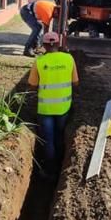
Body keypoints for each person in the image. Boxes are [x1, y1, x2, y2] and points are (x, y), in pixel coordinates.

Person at [28, 32, 79, 178]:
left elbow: (32, 85)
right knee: (59, 135)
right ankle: (60, 167)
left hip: (45, 109)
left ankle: (50, 170)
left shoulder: (39, 61)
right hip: (64, 108)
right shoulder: (68, 58)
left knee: (48, 139)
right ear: (58, 44)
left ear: (44, 46)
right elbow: (76, 82)